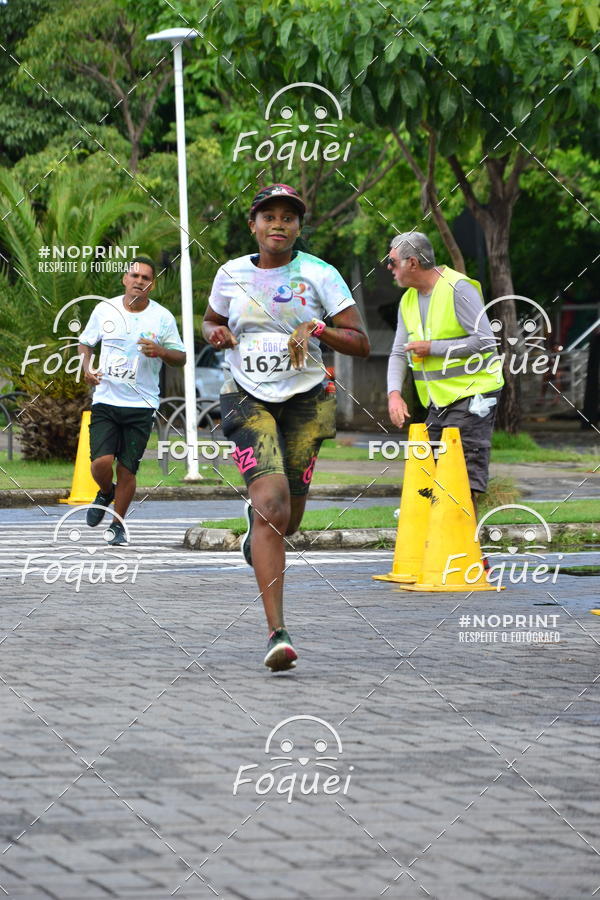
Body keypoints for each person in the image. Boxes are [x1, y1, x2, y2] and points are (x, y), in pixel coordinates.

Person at [202, 184, 370, 672]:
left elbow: (359, 342)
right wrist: (216, 333)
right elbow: (210, 322)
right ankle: (277, 632)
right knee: (272, 507)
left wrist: (318, 329)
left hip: (306, 400)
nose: (278, 224)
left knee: (288, 521)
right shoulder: (231, 273)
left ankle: (255, 532)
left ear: (298, 226)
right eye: (269, 216)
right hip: (246, 396)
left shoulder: (320, 274)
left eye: (288, 218)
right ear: (253, 225)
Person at [386, 232, 503, 515]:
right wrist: (394, 394)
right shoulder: (408, 301)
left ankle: (464, 539)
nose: (389, 268)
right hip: (440, 401)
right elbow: (399, 353)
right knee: (429, 467)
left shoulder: (458, 289)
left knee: (460, 474)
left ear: (412, 263)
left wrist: (433, 348)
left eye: (392, 262)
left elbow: (486, 341)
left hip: (474, 394)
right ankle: (439, 536)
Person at [78, 257, 186, 544]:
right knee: (101, 463)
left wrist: (161, 351)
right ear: (125, 279)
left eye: (145, 278)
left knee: (127, 468)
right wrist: (87, 368)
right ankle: (106, 491)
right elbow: (86, 343)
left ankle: (117, 524)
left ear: (152, 285)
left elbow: (181, 357)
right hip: (106, 400)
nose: (139, 281)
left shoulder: (162, 317)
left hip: (142, 405)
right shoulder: (105, 309)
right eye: (134, 275)